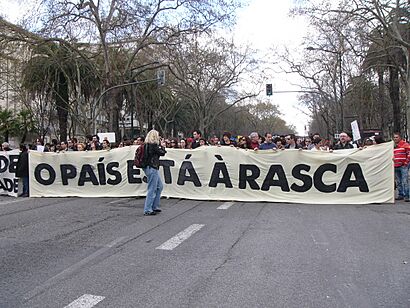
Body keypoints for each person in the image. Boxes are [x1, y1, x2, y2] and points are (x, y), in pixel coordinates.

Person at [142, 129, 167, 216]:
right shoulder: (153, 146)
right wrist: (163, 146)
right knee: (152, 188)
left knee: (159, 186)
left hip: (149, 167)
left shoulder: (146, 145)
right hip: (152, 167)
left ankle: (154, 206)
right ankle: (148, 209)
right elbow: (162, 153)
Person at [393, 132, 409, 201]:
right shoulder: (393, 146)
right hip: (396, 165)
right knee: (398, 181)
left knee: (404, 181)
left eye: (397, 137)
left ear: (400, 137)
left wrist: (406, 162)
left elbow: (409, 154)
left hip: (403, 165)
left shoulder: (405, 145)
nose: (395, 139)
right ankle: (401, 194)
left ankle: (407, 195)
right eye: (394, 137)